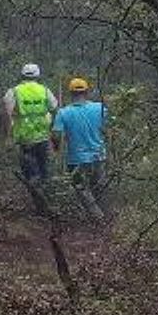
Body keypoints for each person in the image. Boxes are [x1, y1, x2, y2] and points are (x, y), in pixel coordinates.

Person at [51, 77, 108, 221]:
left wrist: (56, 148)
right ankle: (102, 217)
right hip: (99, 156)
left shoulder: (63, 113)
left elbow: (56, 135)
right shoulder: (100, 108)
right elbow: (110, 128)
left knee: (81, 189)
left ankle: (98, 217)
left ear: (70, 93)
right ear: (87, 91)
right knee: (98, 188)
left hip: (76, 159)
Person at [2, 63, 59, 186]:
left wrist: (7, 137)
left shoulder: (14, 92)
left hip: (24, 139)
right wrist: (54, 133)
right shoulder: (44, 90)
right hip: (43, 137)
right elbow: (55, 109)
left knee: (30, 174)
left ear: (22, 75)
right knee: (45, 172)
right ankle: (46, 198)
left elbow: (7, 115)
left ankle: (36, 198)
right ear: (37, 76)